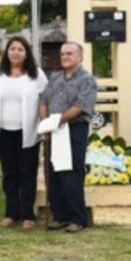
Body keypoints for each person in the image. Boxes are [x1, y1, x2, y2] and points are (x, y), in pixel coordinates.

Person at [39, 42, 97, 233]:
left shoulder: (87, 80)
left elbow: (80, 106)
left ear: (80, 57)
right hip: (54, 130)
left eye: (70, 53)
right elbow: (43, 99)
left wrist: (58, 121)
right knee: (54, 172)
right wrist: (45, 121)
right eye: (63, 53)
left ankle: (78, 218)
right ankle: (60, 216)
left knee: (71, 173)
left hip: (73, 129)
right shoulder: (55, 78)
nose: (65, 56)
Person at [0, 36, 47, 230]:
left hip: (28, 132)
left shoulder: (36, 74)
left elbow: (44, 99)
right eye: (12, 48)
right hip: (4, 131)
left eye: (20, 49)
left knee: (27, 174)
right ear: (7, 52)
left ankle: (27, 215)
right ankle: (10, 213)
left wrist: (45, 124)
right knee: (9, 175)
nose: (16, 52)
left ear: (26, 53)